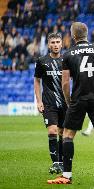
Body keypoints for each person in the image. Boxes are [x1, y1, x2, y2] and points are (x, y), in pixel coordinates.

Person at [47, 22, 94, 185]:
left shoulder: (68, 54)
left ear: (73, 36)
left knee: (67, 135)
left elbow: (65, 83)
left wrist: (69, 100)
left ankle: (66, 176)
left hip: (78, 98)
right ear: (86, 34)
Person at [34, 33, 66, 174]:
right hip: (48, 103)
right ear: (48, 44)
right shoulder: (42, 61)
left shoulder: (67, 60)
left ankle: (62, 162)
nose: (55, 44)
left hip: (65, 103)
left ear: (61, 44)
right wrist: (39, 101)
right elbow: (36, 80)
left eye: (57, 42)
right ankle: (55, 163)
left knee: (63, 133)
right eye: (52, 42)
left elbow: (73, 79)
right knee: (52, 131)